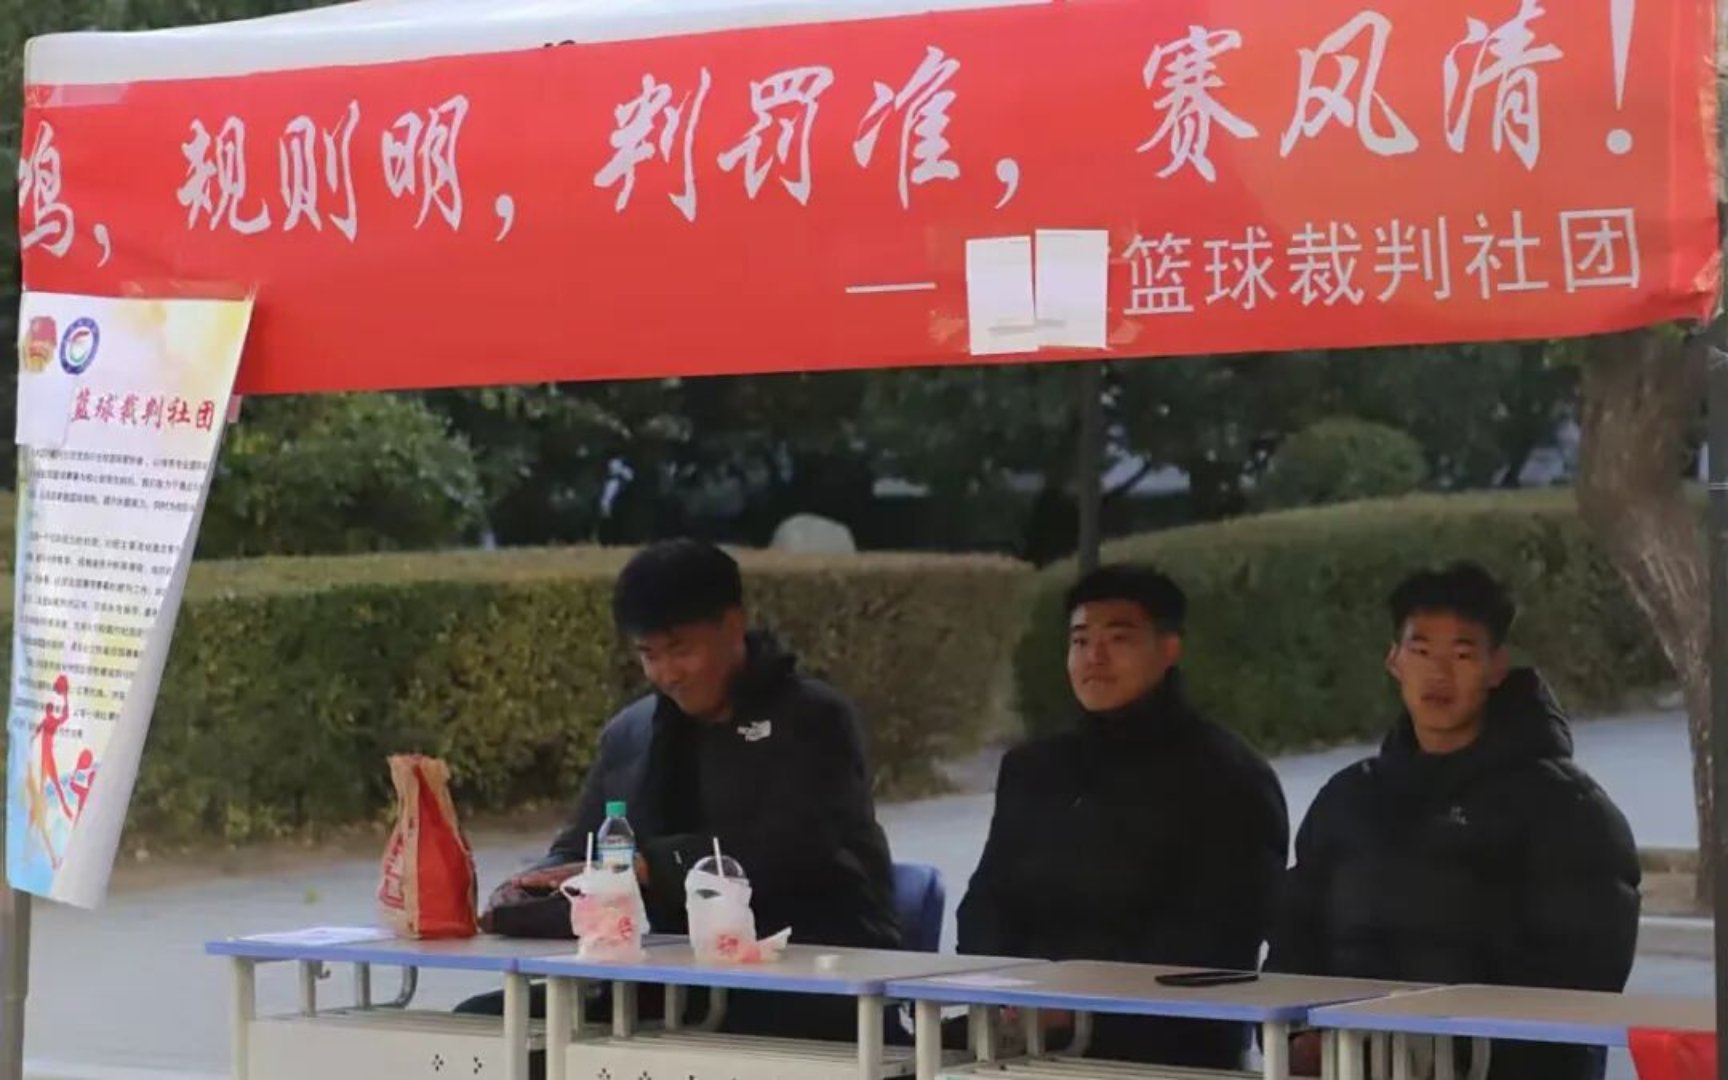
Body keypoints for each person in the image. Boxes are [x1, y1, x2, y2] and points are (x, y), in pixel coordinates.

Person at [460, 539, 900, 1044]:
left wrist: (650, 865)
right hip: (659, 978)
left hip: (803, 973)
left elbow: (792, 848)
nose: (666, 675)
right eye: (649, 655)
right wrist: (533, 888)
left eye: (681, 651)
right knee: (483, 1026)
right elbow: (582, 847)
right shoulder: (632, 732)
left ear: (733, 626)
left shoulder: (814, 720)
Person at [1268, 562, 1640, 1080]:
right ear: (1394, 661)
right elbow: (1295, 941)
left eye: (1462, 655)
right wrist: (1298, 1037)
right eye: (1421, 652)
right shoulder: (1347, 799)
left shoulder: (1567, 808)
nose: (1439, 674)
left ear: (1496, 667)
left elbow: (1581, 980)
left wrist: (1446, 1055)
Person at [955, 563, 1289, 1070]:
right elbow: (985, 902)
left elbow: (1219, 939)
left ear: (1169, 649)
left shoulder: (1228, 777)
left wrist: (1077, 1007)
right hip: (1020, 1026)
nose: (1095, 657)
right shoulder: (1032, 769)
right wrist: (1011, 991)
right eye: (1080, 640)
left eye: (1118, 638)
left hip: (1162, 1042)